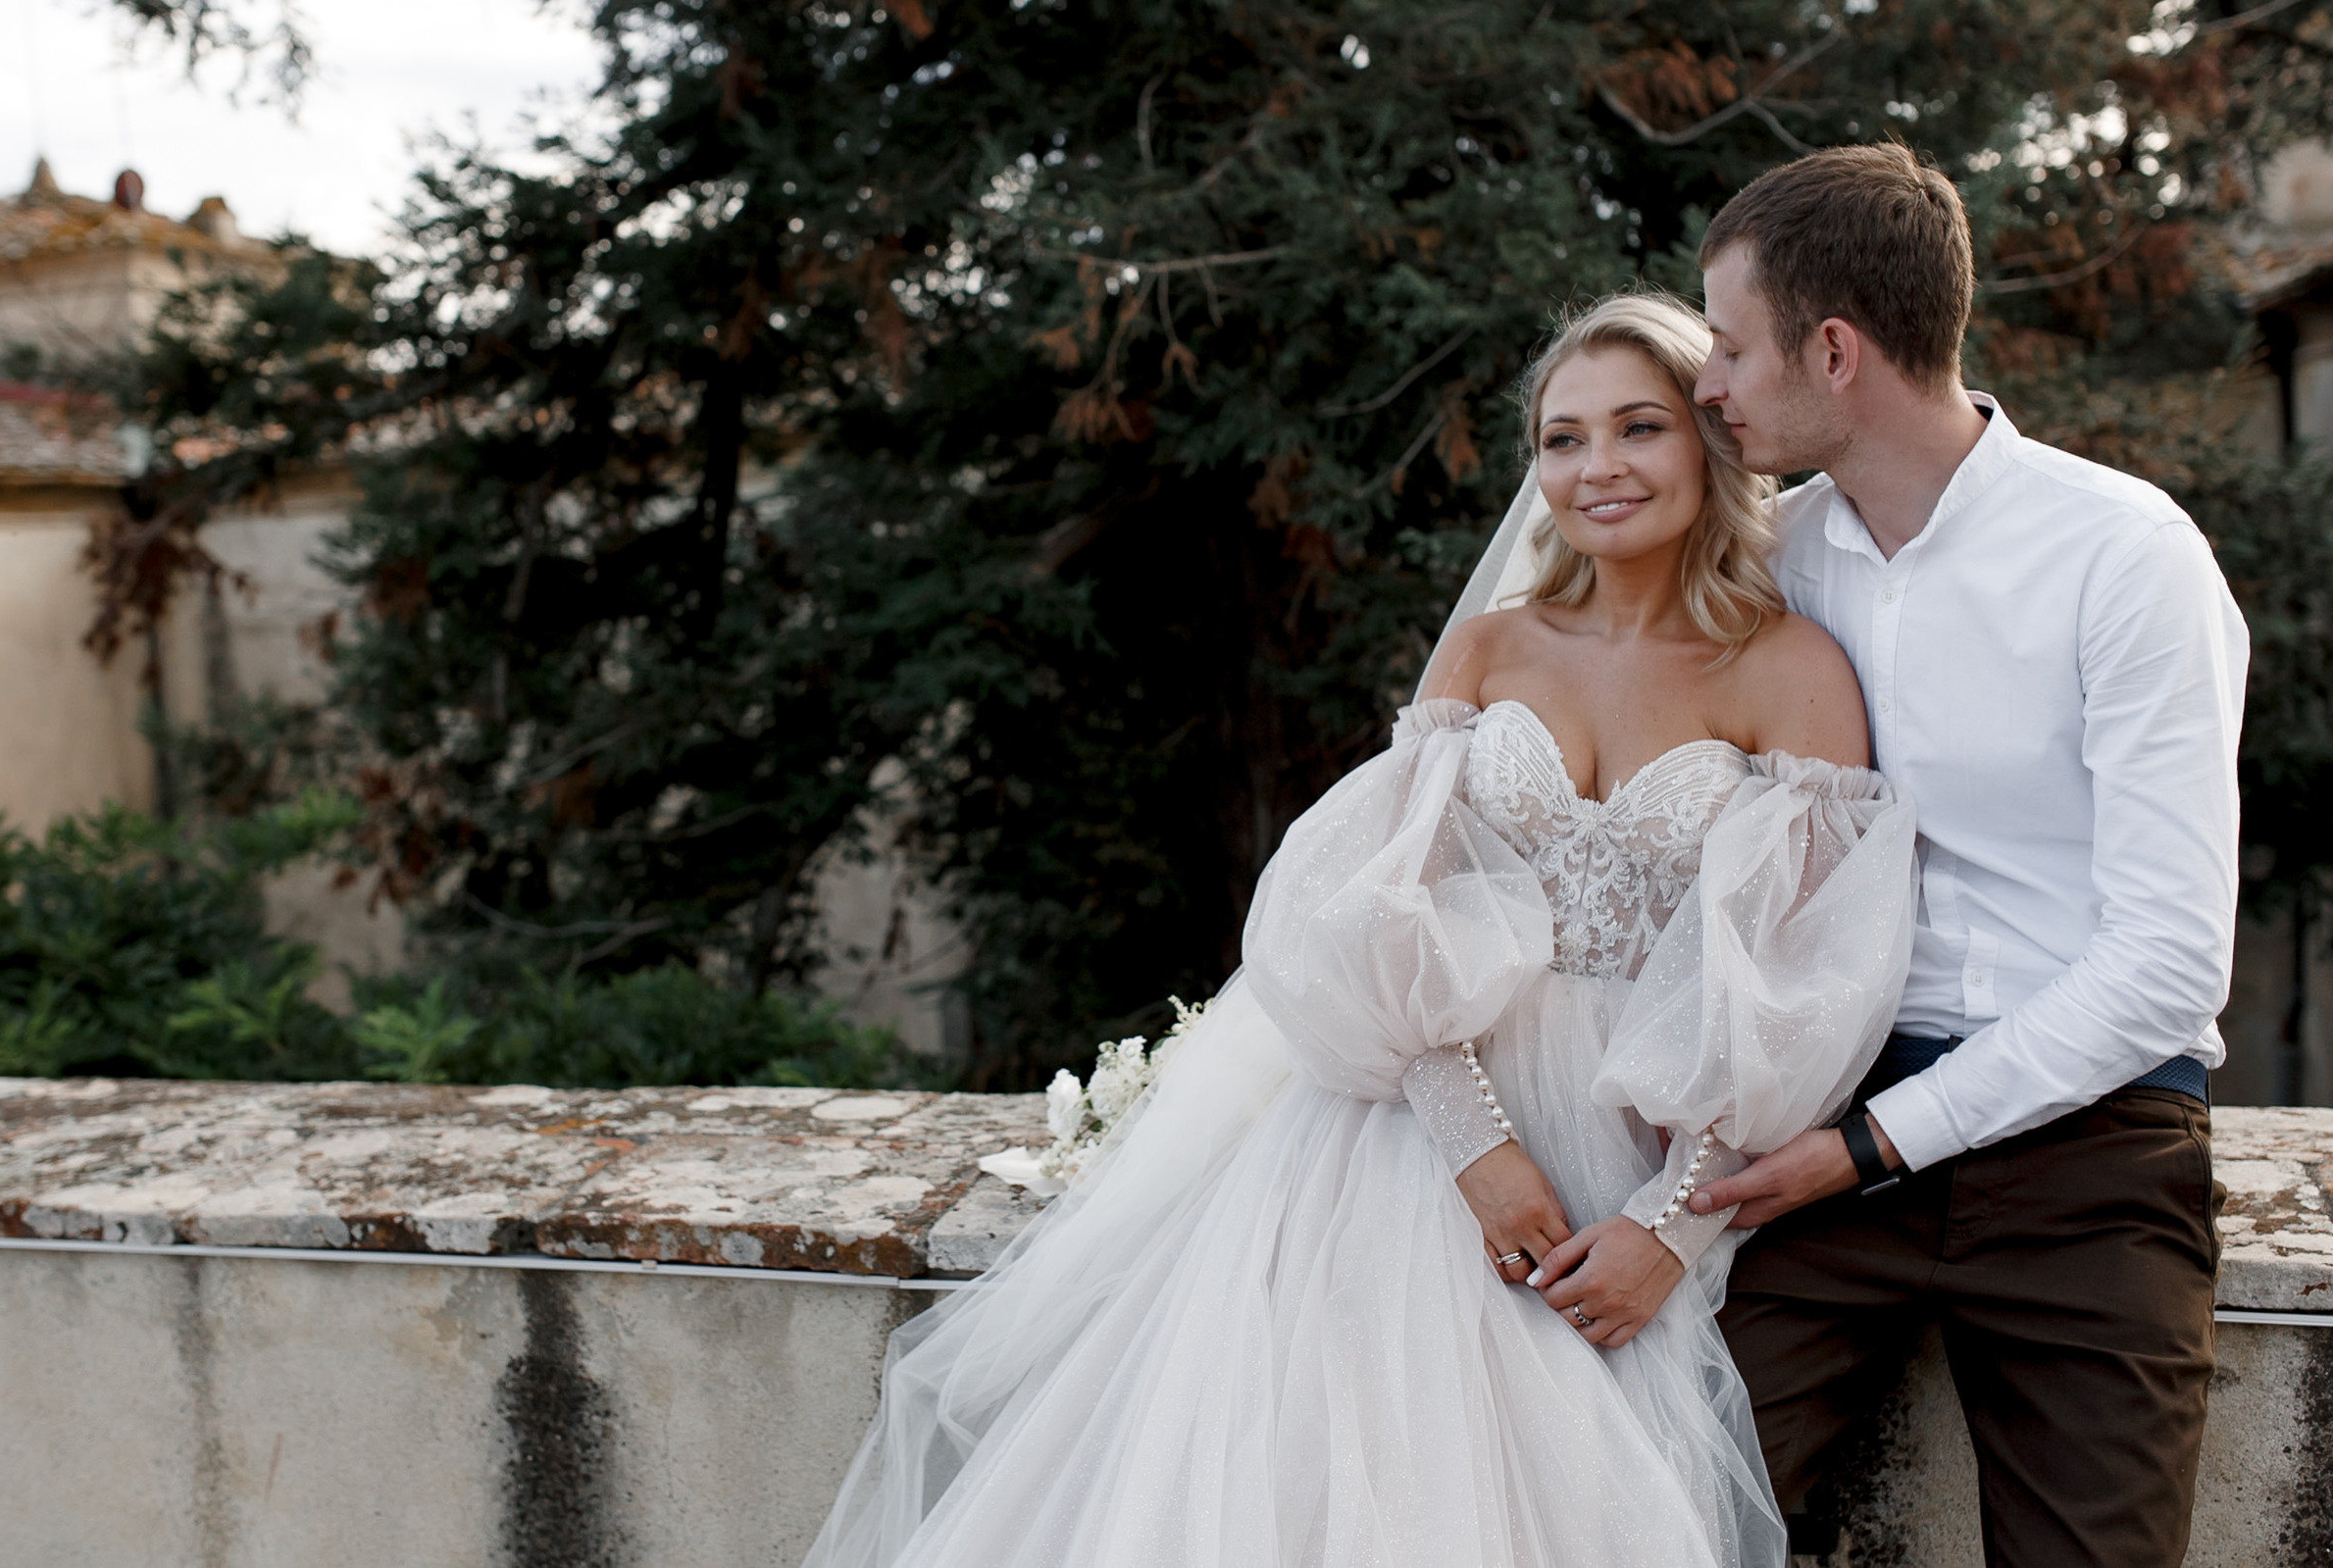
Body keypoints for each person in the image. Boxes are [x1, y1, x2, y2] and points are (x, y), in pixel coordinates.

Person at [803, 291, 1920, 1568]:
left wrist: (1674, 1229)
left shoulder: (1792, 667)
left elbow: (1805, 987)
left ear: (1710, 443)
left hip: (1635, 1148)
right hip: (1415, 1132)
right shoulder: (1491, 650)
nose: (1597, 468)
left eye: (1638, 428)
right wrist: (1476, 1150)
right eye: (1561, 440)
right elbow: (1381, 907)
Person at [1682, 144, 2249, 1568]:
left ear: (1835, 350)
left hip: (2093, 1150)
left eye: (1731, 348)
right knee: (1650, 1506)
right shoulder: (1773, 568)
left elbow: (2170, 960)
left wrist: (1874, 1143)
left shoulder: (2127, 557)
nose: (1707, 386)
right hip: (1819, 1120)